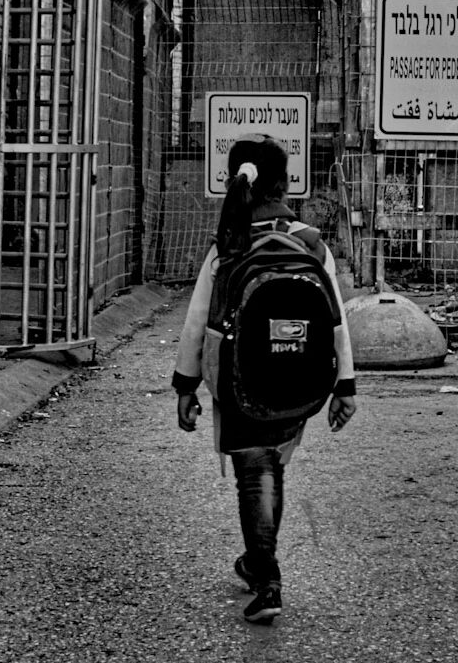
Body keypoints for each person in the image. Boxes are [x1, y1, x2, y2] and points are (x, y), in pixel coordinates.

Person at [173, 136, 356, 624]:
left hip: (239, 382)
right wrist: (345, 386)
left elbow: (195, 323)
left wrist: (185, 386)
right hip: (301, 380)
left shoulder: (228, 245)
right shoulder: (312, 244)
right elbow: (336, 320)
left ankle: (267, 578)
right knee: (271, 465)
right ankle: (257, 562)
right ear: (286, 183)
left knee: (254, 470)